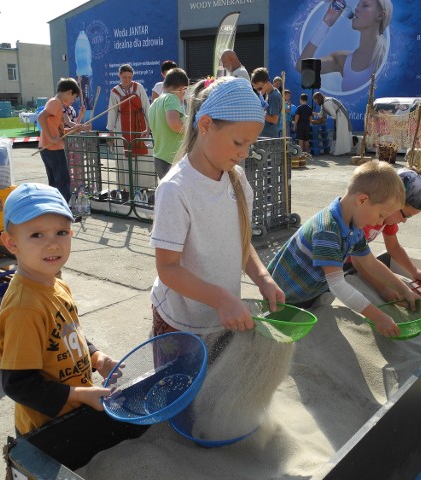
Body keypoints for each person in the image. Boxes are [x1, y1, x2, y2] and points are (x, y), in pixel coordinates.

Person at [150, 77, 289, 435]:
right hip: (180, 319)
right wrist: (224, 297)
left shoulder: (237, 180)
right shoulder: (175, 190)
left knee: (213, 391)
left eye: (250, 144)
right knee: (181, 400)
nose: (244, 152)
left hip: (221, 313)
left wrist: (263, 278)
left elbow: (242, 244)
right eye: (239, 142)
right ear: (206, 126)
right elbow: (168, 269)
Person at [0, 183, 119, 436]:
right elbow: (19, 385)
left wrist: (96, 357)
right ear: (11, 243)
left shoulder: (57, 284)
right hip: (46, 427)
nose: (52, 244)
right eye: (37, 235)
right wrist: (80, 394)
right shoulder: (24, 308)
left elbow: (66, 332)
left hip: (73, 410)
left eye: (61, 232)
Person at [267, 160, 420, 337]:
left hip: (311, 290)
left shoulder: (353, 226)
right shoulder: (328, 230)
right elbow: (338, 285)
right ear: (362, 200)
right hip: (284, 299)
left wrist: (405, 290)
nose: (379, 223)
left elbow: (370, 263)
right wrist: (378, 317)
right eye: (381, 215)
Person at [348, 168, 421, 302]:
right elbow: (359, 262)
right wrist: (382, 288)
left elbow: (393, 247)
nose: (404, 221)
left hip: (357, 262)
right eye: (406, 215)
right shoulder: (363, 219)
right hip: (342, 266)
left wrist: (414, 271)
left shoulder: (387, 218)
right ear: (391, 202)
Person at [297, 0, 393, 93]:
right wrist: (326, 24)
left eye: (365, 5)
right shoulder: (342, 60)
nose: (356, 9)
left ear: (380, 15)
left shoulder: (389, 58)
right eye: (358, 5)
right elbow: (302, 67)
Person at [37, 78, 82, 204]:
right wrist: (51, 138)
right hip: (53, 148)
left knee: (54, 182)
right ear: (69, 92)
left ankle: (56, 209)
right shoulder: (55, 103)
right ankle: (65, 209)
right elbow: (41, 117)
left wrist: (73, 129)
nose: (73, 100)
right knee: (63, 181)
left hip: (47, 147)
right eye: (74, 97)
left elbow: (58, 131)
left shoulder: (56, 103)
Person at [106, 64, 150, 191]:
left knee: (140, 157)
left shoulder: (138, 88)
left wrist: (149, 127)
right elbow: (112, 111)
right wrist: (111, 131)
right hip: (122, 128)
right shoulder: (115, 92)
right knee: (124, 156)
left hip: (139, 124)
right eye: (124, 77)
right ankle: (126, 187)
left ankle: (141, 186)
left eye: (130, 77)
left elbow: (146, 106)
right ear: (119, 76)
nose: (127, 80)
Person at [148, 67, 189, 179]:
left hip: (159, 157)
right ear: (181, 89)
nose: (183, 96)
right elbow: (174, 124)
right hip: (172, 159)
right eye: (184, 92)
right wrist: (191, 131)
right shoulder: (171, 98)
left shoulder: (155, 103)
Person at [251, 67, 281, 138]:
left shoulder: (274, 96)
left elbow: (274, 120)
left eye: (260, 89)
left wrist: (257, 114)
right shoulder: (269, 93)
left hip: (269, 137)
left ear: (267, 83)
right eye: (255, 89)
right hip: (265, 135)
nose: (258, 92)